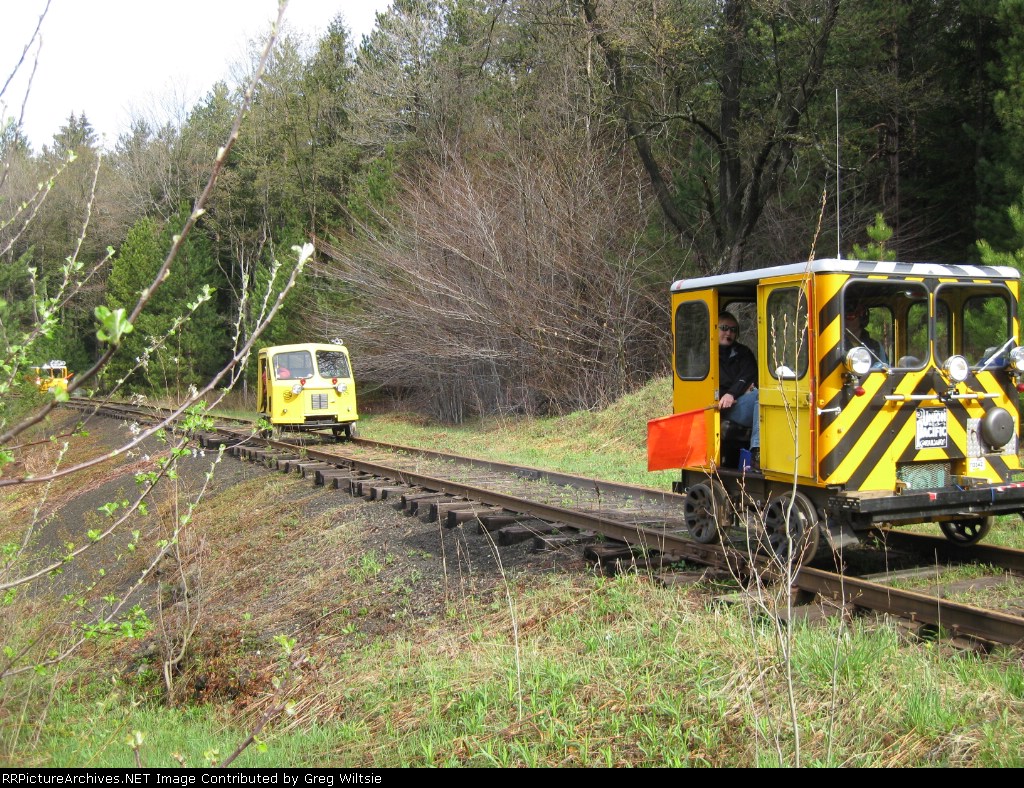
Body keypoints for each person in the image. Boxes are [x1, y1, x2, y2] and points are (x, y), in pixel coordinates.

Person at [717, 312, 760, 469]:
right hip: (720, 408)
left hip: (738, 403)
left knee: (764, 395)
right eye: (724, 328)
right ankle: (757, 451)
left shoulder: (743, 352)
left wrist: (733, 393)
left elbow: (748, 374)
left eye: (733, 330)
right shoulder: (706, 354)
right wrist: (727, 395)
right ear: (715, 329)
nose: (729, 333)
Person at [844, 300, 887, 367]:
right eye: (842, 317)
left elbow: (885, 369)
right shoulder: (836, 346)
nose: (845, 320)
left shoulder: (876, 346)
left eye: (850, 316)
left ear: (862, 318)